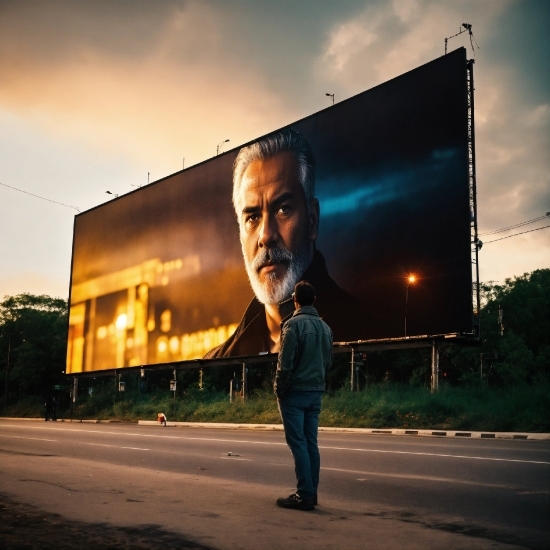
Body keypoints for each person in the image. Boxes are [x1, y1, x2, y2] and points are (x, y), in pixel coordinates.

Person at [205, 129, 379, 359]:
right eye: (253, 217)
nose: (266, 236)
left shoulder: (372, 340)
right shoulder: (217, 364)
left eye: (283, 209)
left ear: (312, 220)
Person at [274, 281, 332, 511]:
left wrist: (279, 389)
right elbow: (328, 363)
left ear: (295, 301)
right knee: (311, 443)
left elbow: (285, 364)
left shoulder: (293, 326)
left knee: (298, 443)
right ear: (314, 301)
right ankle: (312, 492)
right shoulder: (326, 328)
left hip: (294, 393)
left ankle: (304, 494)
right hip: (315, 392)